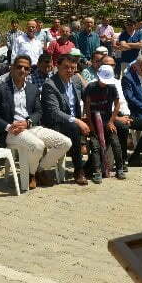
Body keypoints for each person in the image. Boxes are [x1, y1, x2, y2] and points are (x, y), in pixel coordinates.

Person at [0, 55, 71, 189]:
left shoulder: (32, 89)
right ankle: (31, 175)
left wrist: (28, 122)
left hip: (31, 127)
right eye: (19, 67)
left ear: (29, 71)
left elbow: (39, 112)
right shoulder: (1, 88)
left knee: (65, 143)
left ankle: (37, 170)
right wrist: (9, 127)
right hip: (11, 131)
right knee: (38, 145)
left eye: (26, 68)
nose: (22, 70)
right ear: (12, 68)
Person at [41, 54, 90, 186]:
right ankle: (78, 170)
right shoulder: (50, 85)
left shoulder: (76, 80)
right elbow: (54, 112)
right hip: (56, 124)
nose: (69, 71)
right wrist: (77, 121)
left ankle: (95, 165)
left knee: (102, 123)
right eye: (66, 67)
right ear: (57, 66)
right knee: (74, 128)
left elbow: (88, 96)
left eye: (73, 68)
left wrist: (90, 117)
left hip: (76, 122)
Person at [83, 65, 126, 181]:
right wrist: (91, 124)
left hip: (107, 122)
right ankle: (97, 171)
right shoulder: (90, 87)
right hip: (93, 121)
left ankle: (120, 168)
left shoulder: (112, 88)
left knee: (115, 142)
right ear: (98, 76)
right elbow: (87, 106)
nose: (104, 83)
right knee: (95, 145)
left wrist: (112, 121)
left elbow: (117, 105)